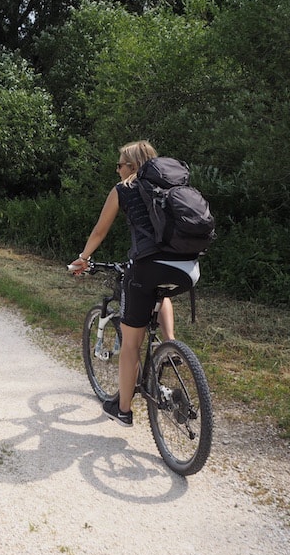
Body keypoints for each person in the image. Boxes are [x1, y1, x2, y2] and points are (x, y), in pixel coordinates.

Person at [68, 140, 200, 427]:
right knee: (160, 292)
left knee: (131, 344)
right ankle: (170, 346)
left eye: (120, 164)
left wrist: (83, 258)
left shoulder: (123, 190)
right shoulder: (173, 189)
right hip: (188, 269)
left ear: (132, 166)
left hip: (148, 268)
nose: (117, 169)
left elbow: (100, 231)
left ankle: (123, 410)